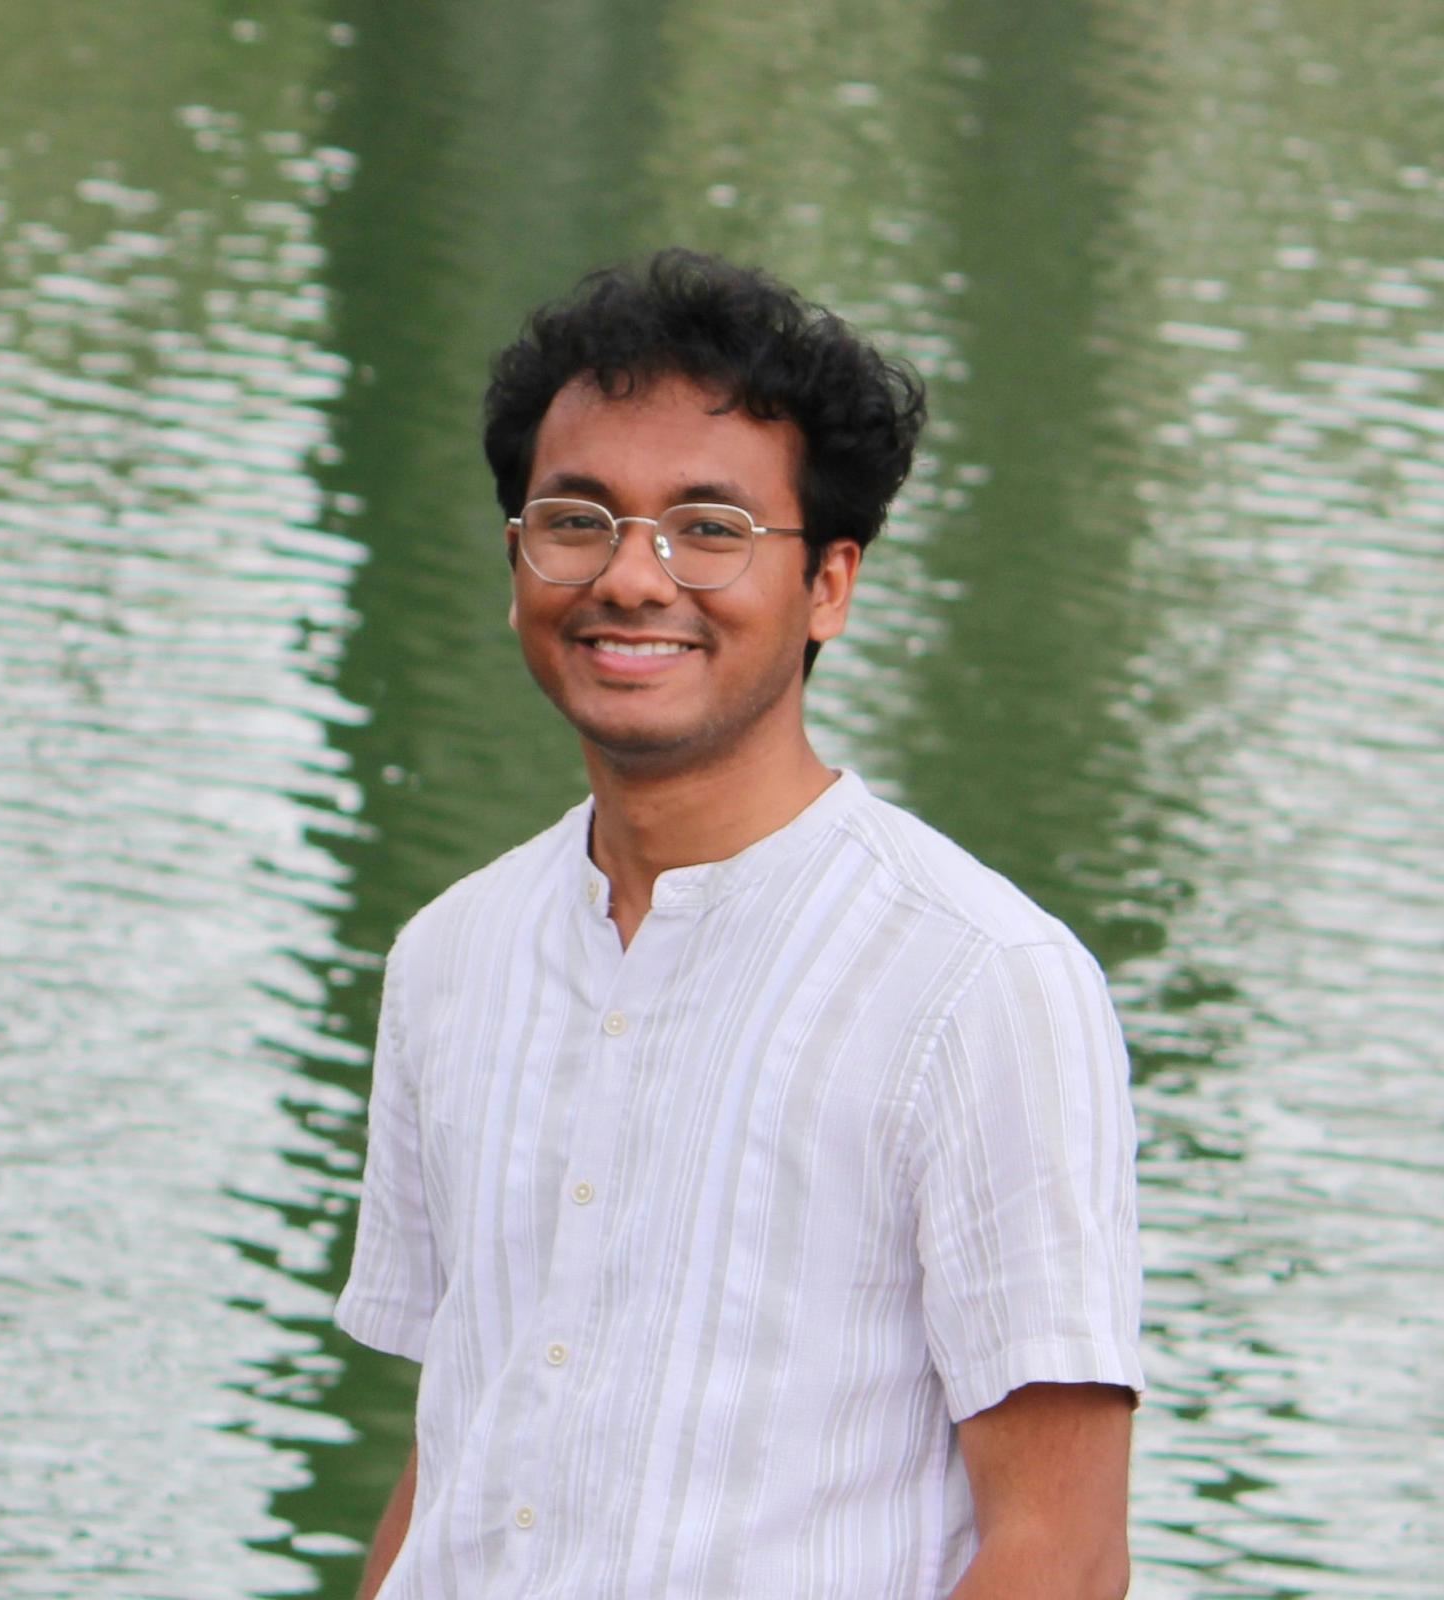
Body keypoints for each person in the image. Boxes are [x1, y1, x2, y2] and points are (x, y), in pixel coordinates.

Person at [335, 249, 1144, 1599]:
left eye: (710, 530)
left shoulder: (980, 982)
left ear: (830, 582)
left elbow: (1060, 1555)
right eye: (577, 519)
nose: (633, 579)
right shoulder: (450, 958)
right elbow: (460, 1445)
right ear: (519, 555)